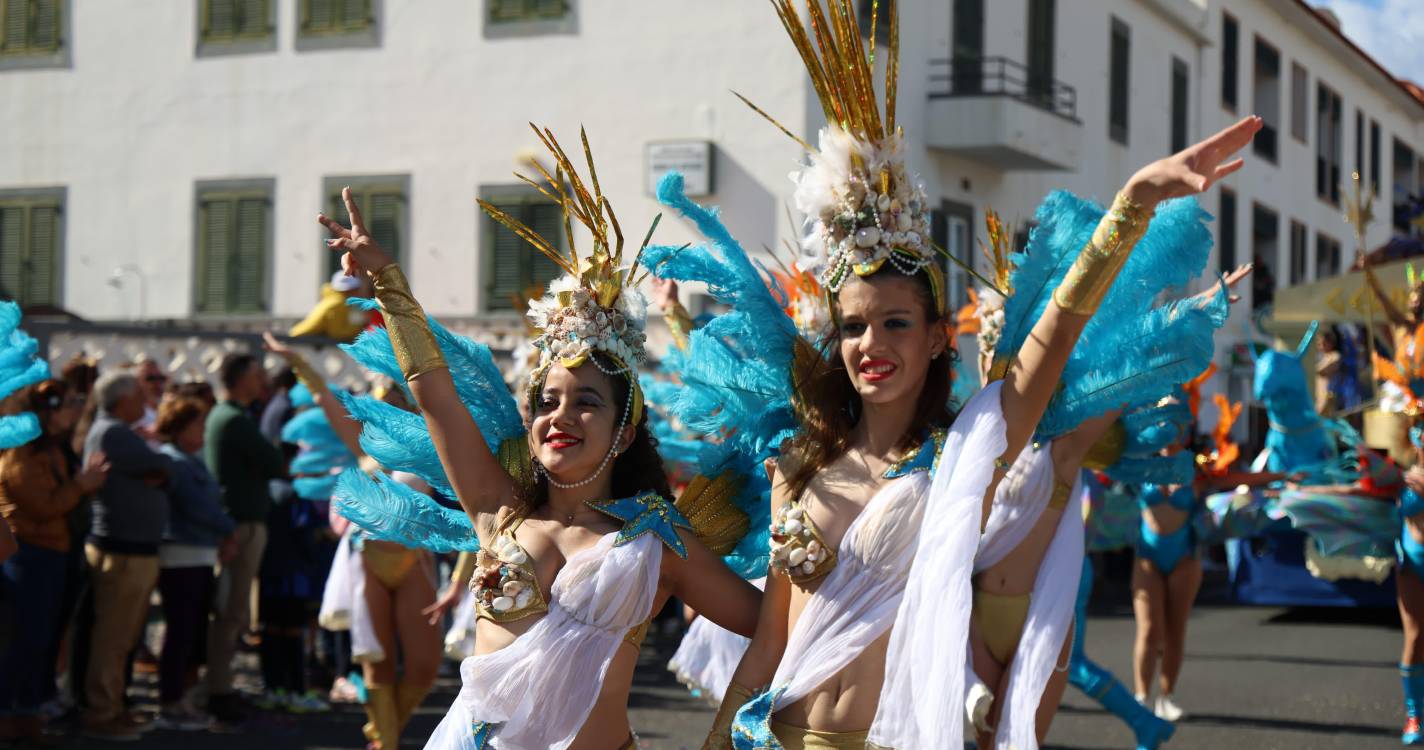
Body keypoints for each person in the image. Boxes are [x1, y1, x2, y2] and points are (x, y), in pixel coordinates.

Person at [696, 3, 1262, 748]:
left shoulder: (961, 459)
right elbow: (770, 645)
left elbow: (1053, 337)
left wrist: (1130, 208)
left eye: (896, 322)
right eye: (855, 325)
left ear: (937, 339)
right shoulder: (797, 464)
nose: (873, 343)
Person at [321, 127, 764, 748]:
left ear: (624, 430)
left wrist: (728, 732)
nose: (560, 416)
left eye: (587, 404)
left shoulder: (655, 539)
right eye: (547, 402)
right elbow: (437, 397)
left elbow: (773, 626)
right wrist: (388, 282)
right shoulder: (497, 511)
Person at [0, 381, 108, 744]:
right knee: (23, 641)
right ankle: (8, 714)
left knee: (43, 640)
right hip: (29, 556)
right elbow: (41, 507)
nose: (73, 411)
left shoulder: (52, 449)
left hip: (53, 553)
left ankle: (27, 713)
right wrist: (82, 485)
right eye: (65, 405)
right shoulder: (20, 454)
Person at [81, 371, 173, 741]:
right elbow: (166, 467)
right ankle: (102, 713)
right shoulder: (114, 433)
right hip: (123, 552)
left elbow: (161, 471)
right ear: (122, 401)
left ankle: (113, 707)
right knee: (114, 640)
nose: (146, 403)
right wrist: (157, 466)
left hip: (130, 550)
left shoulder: (115, 432)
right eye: (139, 396)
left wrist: (156, 468)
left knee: (121, 639)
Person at [204, 353, 287, 724]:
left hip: (240, 523)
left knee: (233, 612)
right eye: (255, 376)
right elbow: (273, 462)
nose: (262, 383)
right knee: (231, 613)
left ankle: (221, 686)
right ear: (239, 379)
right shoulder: (235, 420)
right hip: (240, 525)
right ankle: (218, 690)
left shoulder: (232, 417)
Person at [154, 396, 233, 731]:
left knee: (192, 632)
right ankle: (171, 702)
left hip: (198, 556)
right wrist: (228, 530)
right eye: (197, 424)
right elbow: (197, 506)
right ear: (180, 427)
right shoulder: (174, 461)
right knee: (181, 632)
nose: (203, 431)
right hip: (180, 558)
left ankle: (183, 697)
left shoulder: (190, 460)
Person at [289, 271, 367, 342]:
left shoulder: (332, 300)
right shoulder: (337, 304)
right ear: (350, 289)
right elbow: (337, 333)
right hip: (298, 342)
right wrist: (361, 327)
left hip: (300, 339)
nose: (359, 291)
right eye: (357, 288)